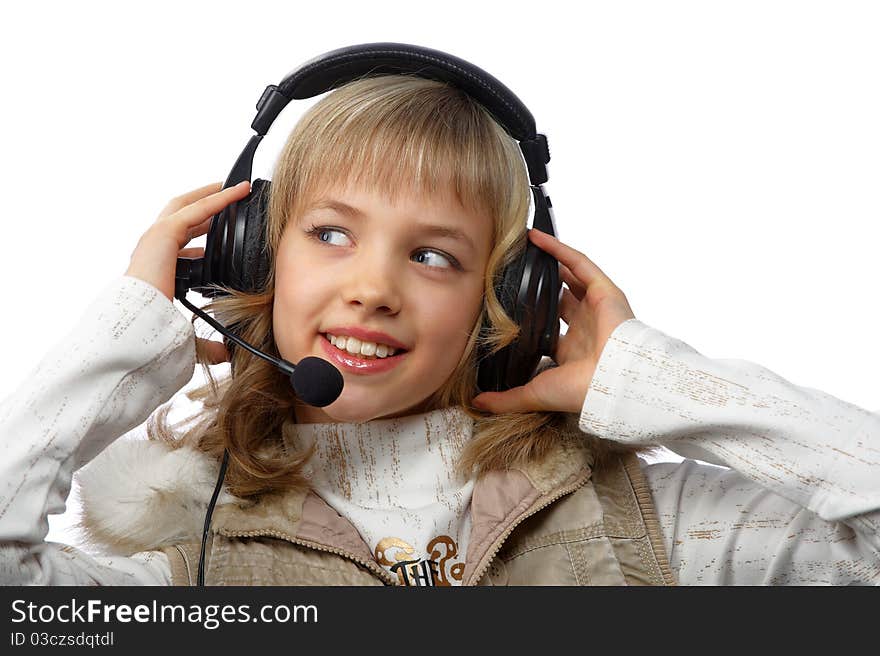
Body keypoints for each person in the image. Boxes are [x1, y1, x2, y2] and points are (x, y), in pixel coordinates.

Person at [1, 74, 877, 586]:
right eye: (331, 233)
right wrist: (121, 340)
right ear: (254, 259)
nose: (373, 288)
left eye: (434, 257)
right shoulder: (193, 566)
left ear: (510, 303)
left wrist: (661, 386)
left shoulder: (654, 526)